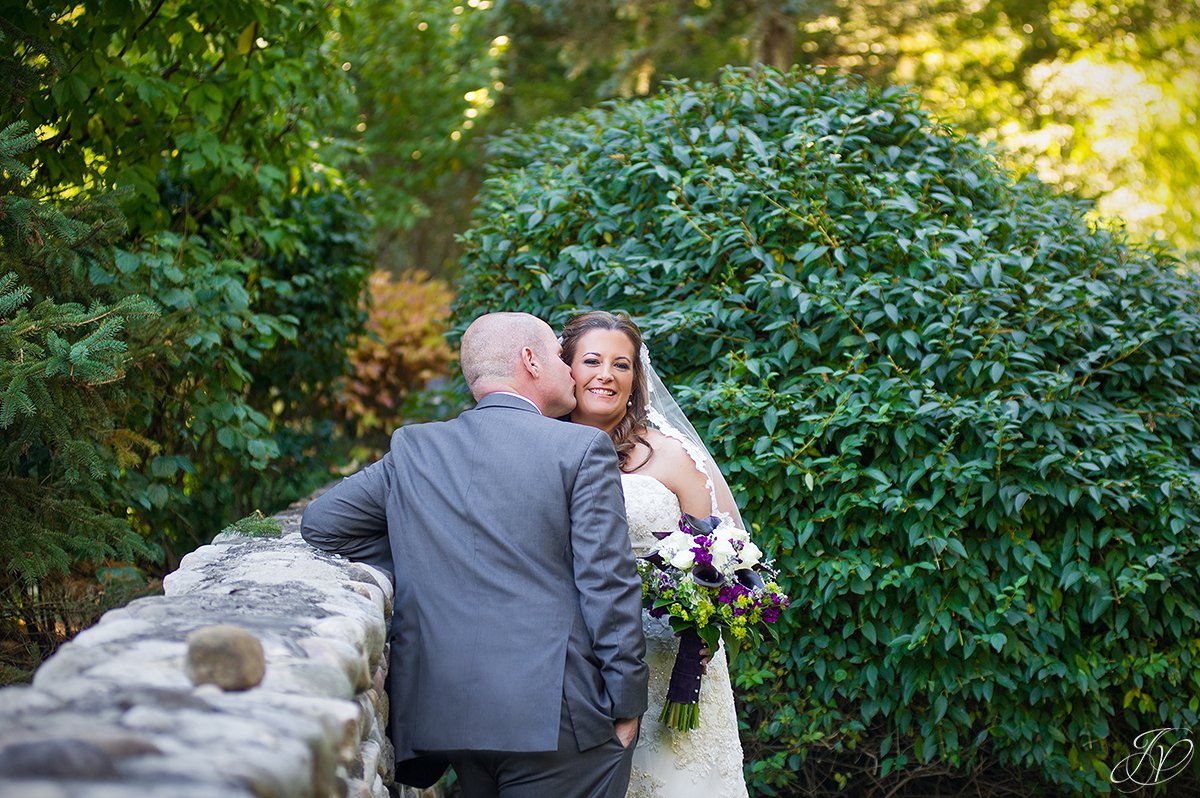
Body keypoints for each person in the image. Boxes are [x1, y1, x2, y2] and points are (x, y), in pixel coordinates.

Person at [300, 312, 649, 798]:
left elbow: (323, 524)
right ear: (530, 360)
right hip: (557, 719)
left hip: (449, 718)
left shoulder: (414, 448)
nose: (570, 370)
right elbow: (607, 588)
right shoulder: (581, 449)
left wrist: (427, 546)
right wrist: (628, 704)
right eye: (557, 355)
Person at [560, 310, 750, 798]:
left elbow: (723, 551)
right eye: (592, 361)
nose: (606, 375)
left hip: (666, 655)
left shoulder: (668, 454)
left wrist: (708, 617)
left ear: (635, 379)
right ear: (566, 369)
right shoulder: (542, 445)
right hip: (572, 659)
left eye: (621, 365)